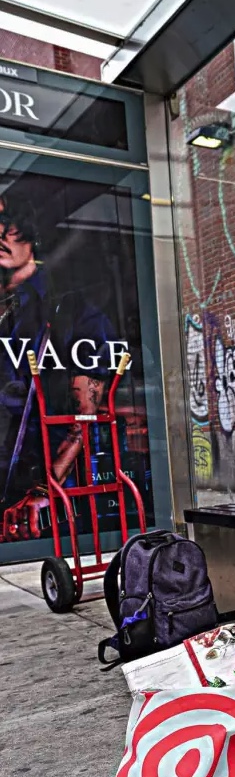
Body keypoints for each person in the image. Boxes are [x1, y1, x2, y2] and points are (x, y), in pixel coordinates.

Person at [0, 191, 118, 541]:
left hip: (32, 496)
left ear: (30, 232)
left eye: (8, 225)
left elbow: (81, 421)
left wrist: (43, 491)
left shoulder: (70, 310)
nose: (0, 234)